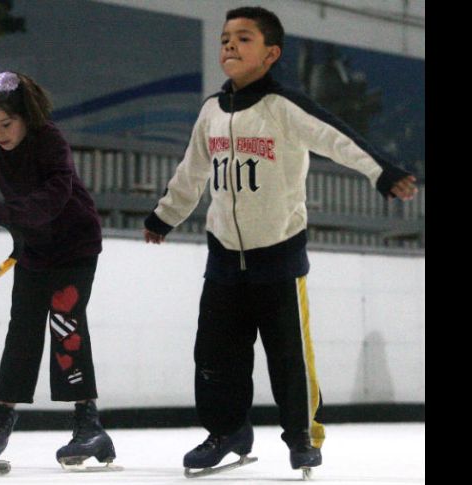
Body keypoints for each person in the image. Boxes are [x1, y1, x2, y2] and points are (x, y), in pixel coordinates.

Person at [142, 6, 418, 475]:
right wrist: (164, 216)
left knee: (289, 358)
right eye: (226, 38)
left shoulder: (284, 107)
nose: (229, 45)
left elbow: (338, 138)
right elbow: (191, 172)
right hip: (224, 259)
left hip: (279, 259)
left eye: (243, 38)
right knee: (214, 356)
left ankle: (303, 437)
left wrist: (382, 171)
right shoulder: (211, 110)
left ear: (271, 54)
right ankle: (227, 432)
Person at [0, 70, 116, 467]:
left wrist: (2, 212)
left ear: (25, 116)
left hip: (74, 243)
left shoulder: (48, 139)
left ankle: (88, 425)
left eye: (6, 124)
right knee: (23, 330)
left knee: (65, 324)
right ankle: (0, 422)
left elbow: (53, 197)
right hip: (34, 246)